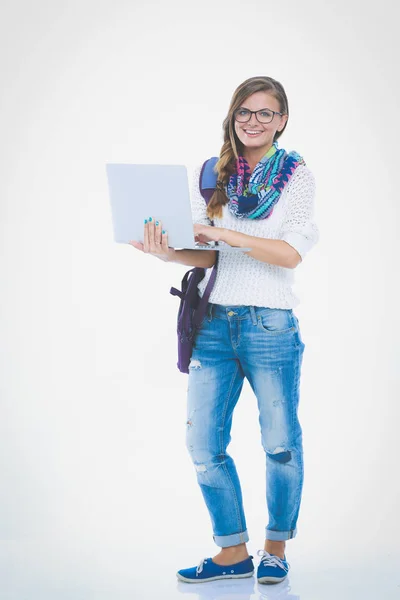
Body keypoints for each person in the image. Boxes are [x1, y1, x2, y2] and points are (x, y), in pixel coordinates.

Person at [129, 75, 319, 585]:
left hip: (270, 324)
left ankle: (275, 548)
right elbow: (206, 253)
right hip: (213, 323)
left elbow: (289, 253)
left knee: (280, 441)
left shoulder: (296, 176)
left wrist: (221, 232)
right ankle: (233, 552)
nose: (253, 121)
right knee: (204, 445)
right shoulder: (213, 173)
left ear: (282, 120)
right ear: (232, 117)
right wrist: (164, 251)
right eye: (244, 112)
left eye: (265, 113)